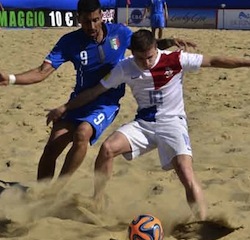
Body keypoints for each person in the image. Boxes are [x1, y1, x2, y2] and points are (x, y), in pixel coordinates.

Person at [47, 29, 250, 220]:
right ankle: (97, 201)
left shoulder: (175, 59)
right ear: (132, 52)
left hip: (173, 124)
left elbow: (213, 61)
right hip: (144, 124)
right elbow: (95, 92)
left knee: (185, 171)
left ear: (156, 48)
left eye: (150, 56)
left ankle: (202, 220)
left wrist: (246, 62)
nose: (147, 62)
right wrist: (65, 107)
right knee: (107, 148)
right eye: (141, 58)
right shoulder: (125, 67)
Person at [0, 0, 195, 182]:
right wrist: (10, 79)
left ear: (102, 15)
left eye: (95, 20)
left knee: (82, 133)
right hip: (79, 99)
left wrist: (169, 40)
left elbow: (144, 47)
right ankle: (40, 193)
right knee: (52, 147)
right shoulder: (69, 41)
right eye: (86, 22)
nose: (92, 26)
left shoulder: (119, 32)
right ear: (78, 19)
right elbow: (42, 72)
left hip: (106, 101)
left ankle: (56, 191)